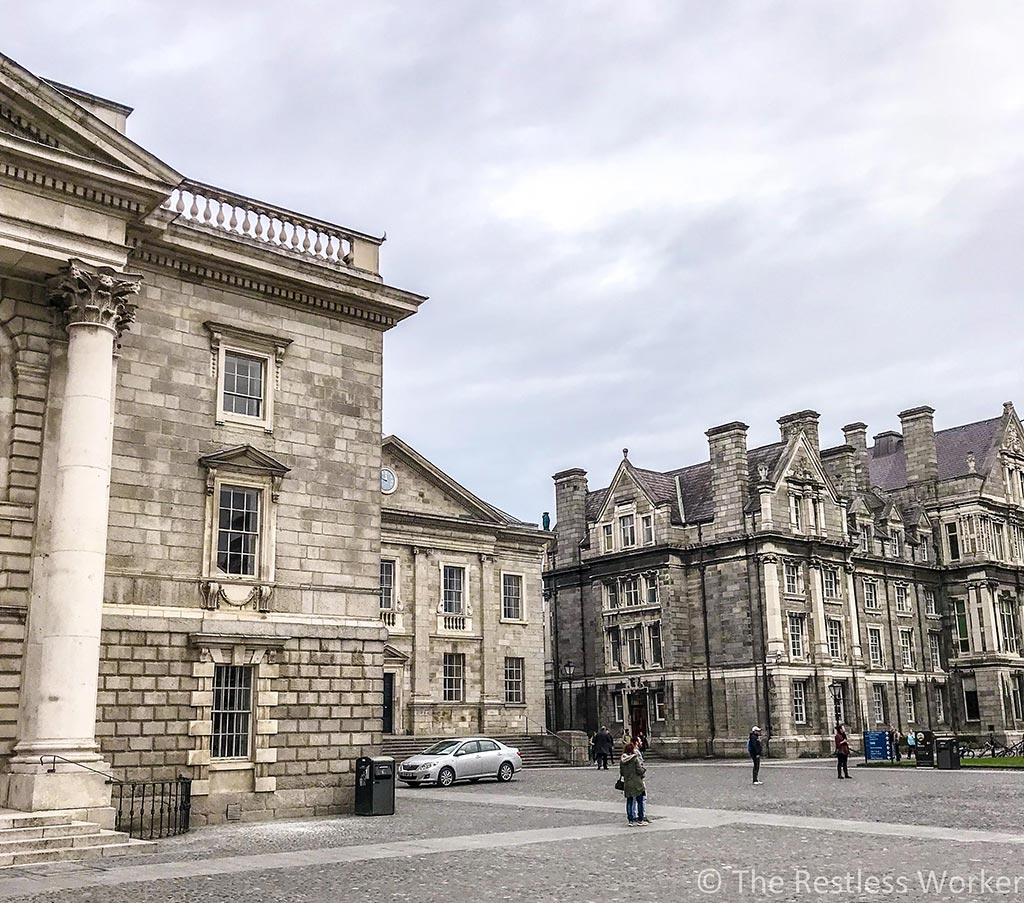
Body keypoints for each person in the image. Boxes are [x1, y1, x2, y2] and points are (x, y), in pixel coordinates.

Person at [619, 741, 648, 826]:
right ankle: (640, 819)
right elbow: (639, 770)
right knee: (640, 801)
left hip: (627, 782)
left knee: (629, 801)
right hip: (637, 782)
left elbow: (622, 772)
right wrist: (644, 770)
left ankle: (630, 820)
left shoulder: (622, 760)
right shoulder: (634, 759)